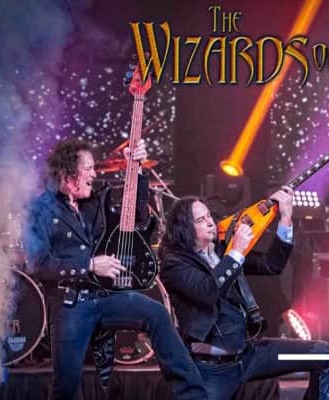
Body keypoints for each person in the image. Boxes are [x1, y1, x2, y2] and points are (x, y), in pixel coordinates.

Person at [23, 138, 206, 400]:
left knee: (156, 313)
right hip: (71, 304)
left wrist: (137, 169)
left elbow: (137, 215)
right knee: (66, 387)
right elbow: (38, 264)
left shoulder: (94, 201)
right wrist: (89, 265)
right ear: (68, 173)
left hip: (106, 296)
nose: (94, 174)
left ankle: (194, 396)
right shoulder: (39, 210)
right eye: (88, 168)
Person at [159, 189, 329, 400]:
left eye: (209, 215)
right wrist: (236, 251)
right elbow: (207, 291)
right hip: (212, 368)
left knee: (327, 356)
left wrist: (285, 218)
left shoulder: (222, 251)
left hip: (251, 357)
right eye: (201, 220)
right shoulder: (175, 264)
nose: (210, 222)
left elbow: (270, 264)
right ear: (184, 228)